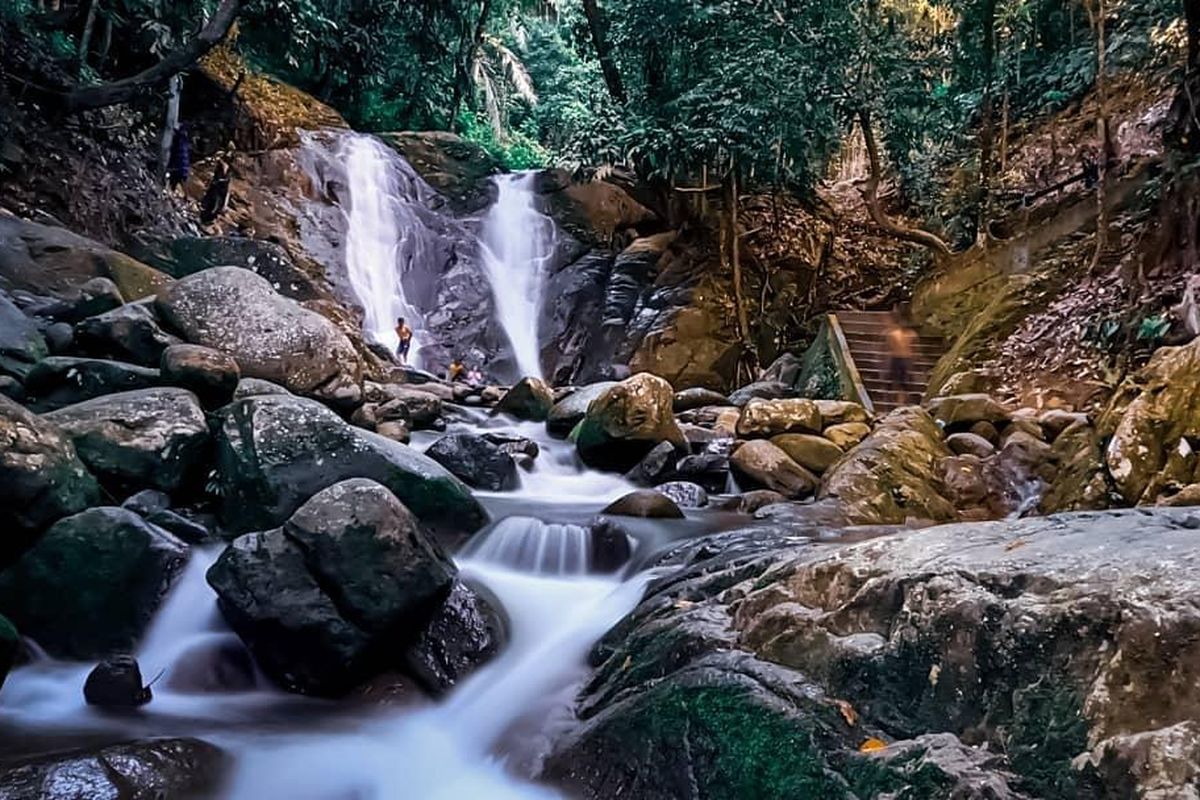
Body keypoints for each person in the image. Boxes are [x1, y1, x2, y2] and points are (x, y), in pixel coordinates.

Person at [885, 307, 918, 408]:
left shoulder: (892, 334)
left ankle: (899, 402)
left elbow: (888, 347)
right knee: (901, 382)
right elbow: (915, 349)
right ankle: (900, 402)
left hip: (899, 358)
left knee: (900, 382)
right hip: (903, 358)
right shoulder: (912, 335)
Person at [167, 123, 191, 191]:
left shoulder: (180, 141)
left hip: (178, 169)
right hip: (182, 170)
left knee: (172, 183)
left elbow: (177, 155)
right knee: (175, 184)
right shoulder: (184, 142)